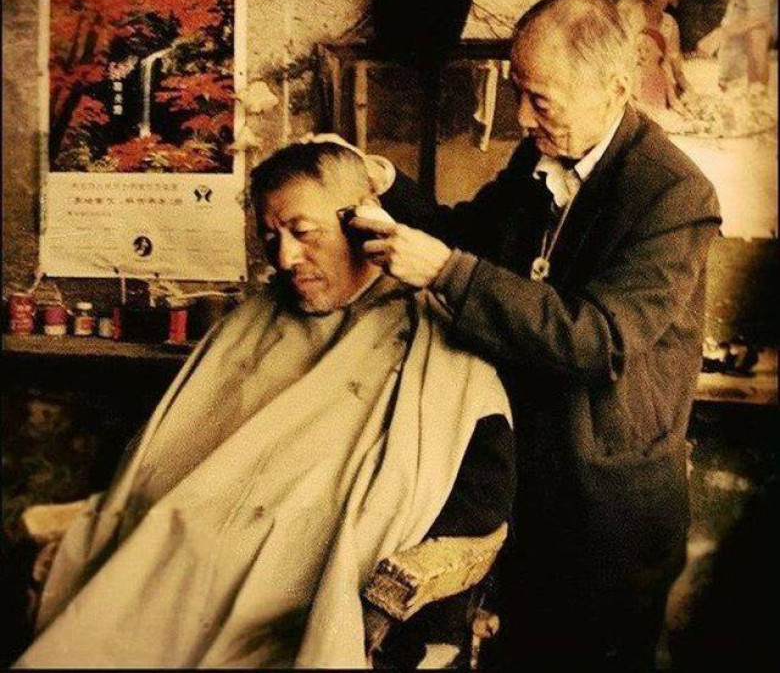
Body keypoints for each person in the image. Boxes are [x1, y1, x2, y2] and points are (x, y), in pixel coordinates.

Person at [14, 140, 515, 669]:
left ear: (364, 220)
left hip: (297, 599)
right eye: (270, 237)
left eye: (304, 232)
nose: (285, 258)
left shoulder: (434, 341)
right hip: (178, 566)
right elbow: (164, 458)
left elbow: (482, 493)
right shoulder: (253, 321)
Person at [349, 0, 722, 670]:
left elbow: (596, 338)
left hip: (608, 515)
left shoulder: (673, 195)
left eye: (540, 100)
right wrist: (387, 181)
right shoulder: (539, 159)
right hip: (526, 492)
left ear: (614, 88)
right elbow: (470, 235)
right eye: (518, 90)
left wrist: (447, 273)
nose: (521, 116)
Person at [618, 0, 690, 95]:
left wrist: (690, 93)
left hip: (656, 90)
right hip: (627, 86)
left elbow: (677, 70)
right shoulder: (630, 11)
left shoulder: (670, 24)